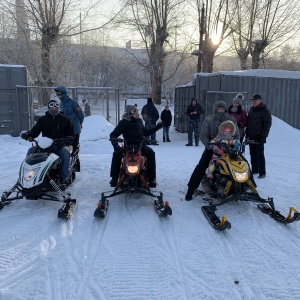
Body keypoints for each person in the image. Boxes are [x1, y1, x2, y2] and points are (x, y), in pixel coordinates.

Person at [185, 100, 239, 200]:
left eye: (222, 109)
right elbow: (203, 135)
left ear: (225, 109)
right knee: (201, 166)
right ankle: (191, 189)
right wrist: (210, 145)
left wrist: (234, 145)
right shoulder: (209, 120)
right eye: (218, 109)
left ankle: (248, 186)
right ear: (215, 109)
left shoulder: (231, 120)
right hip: (213, 147)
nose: (220, 110)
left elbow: (236, 135)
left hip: (228, 148)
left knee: (241, 163)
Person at [21, 100, 75, 184]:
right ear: (48, 107)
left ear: (58, 107)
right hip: (44, 145)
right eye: (52, 106)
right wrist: (28, 135)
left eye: (56, 106)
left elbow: (71, 135)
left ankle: (63, 177)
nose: (54, 107)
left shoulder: (65, 120)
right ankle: (27, 175)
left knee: (65, 153)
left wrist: (64, 140)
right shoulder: (43, 119)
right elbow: (35, 130)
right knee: (31, 151)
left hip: (59, 145)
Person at [109, 105, 163, 187]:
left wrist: (157, 127)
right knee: (117, 154)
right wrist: (116, 146)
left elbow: (146, 132)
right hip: (128, 147)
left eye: (137, 112)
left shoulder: (139, 121)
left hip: (140, 146)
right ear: (129, 113)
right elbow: (113, 135)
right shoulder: (124, 122)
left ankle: (152, 178)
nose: (137, 114)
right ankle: (114, 178)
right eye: (135, 112)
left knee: (151, 153)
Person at [55, 86, 84, 172]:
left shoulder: (73, 103)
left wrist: (79, 124)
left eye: (59, 94)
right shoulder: (61, 104)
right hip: (65, 129)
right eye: (57, 94)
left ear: (64, 94)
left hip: (74, 129)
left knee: (74, 148)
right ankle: (66, 164)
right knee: (65, 147)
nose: (58, 96)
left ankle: (75, 166)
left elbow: (81, 115)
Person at [246, 94, 272, 179]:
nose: (253, 102)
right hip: (251, 135)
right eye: (252, 100)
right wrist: (247, 134)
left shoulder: (265, 111)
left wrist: (263, 136)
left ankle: (262, 172)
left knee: (260, 154)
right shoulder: (251, 111)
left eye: (255, 100)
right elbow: (248, 124)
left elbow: (267, 125)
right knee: (252, 153)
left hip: (259, 136)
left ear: (260, 100)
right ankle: (255, 170)